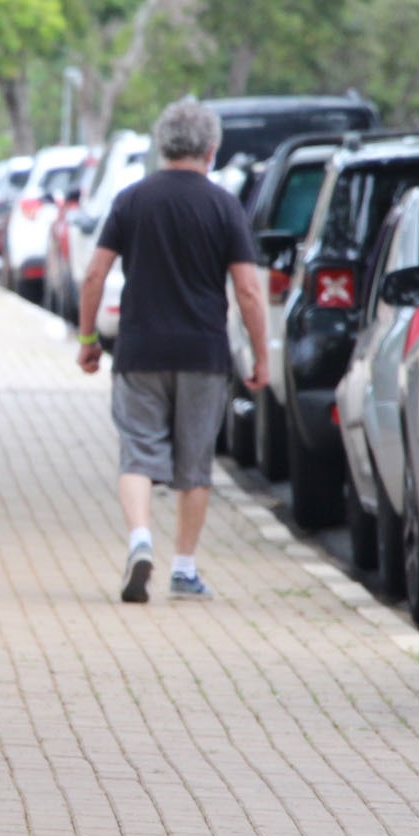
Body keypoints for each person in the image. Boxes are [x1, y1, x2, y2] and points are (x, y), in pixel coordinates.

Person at [76, 98, 268, 603]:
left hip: (139, 350)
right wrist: (261, 356)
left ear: (162, 145)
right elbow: (248, 289)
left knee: (138, 453)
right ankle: (184, 568)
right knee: (194, 464)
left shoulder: (132, 199)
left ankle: (140, 540)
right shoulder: (224, 205)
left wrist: (89, 340)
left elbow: (94, 273)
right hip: (203, 352)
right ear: (211, 148)